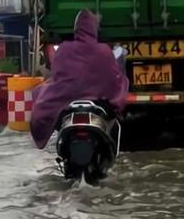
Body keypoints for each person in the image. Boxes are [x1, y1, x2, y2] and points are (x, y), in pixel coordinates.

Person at [30, 9, 129, 149]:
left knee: (38, 92)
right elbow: (114, 80)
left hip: (66, 101)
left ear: (76, 28)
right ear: (95, 28)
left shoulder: (64, 49)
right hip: (98, 104)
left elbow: (57, 77)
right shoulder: (103, 50)